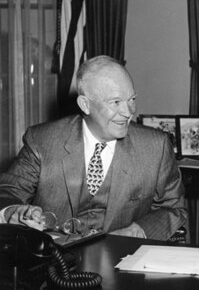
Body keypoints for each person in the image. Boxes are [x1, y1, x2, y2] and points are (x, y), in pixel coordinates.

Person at [0, 55, 187, 241]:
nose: (128, 112)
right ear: (85, 104)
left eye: (132, 99)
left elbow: (174, 208)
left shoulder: (156, 146)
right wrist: (14, 212)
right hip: (55, 261)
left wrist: (136, 231)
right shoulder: (42, 140)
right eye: (116, 102)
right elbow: (8, 192)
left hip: (121, 259)